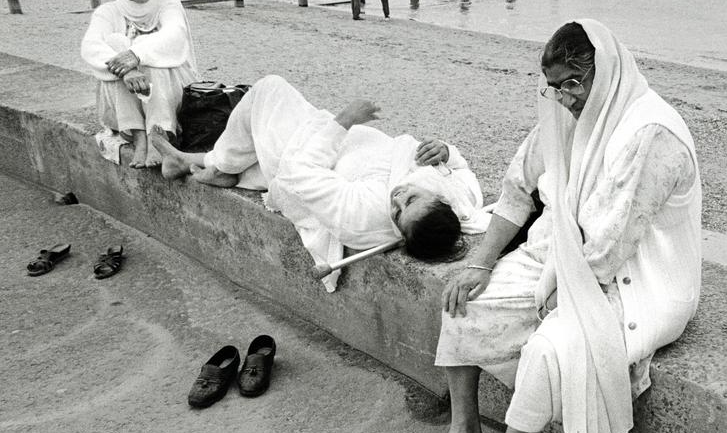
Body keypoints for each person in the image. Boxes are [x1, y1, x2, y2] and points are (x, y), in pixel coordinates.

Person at [410, 20, 702, 433]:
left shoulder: (649, 134)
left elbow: (612, 247)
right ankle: (465, 432)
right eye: (555, 84)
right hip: (558, 257)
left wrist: (552, 289)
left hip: (636, 280)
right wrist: (482, 261)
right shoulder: (564, 114)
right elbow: (518, 191)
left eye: (574, 82)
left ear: (606, 73)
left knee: (554, 345)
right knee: (465, 300)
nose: (564, 97)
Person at [153, 75, 488, 291]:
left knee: (270, 88)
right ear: (441, 202)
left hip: (300, 156)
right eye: (411, 199)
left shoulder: (364, 214)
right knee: (254, 149)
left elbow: (300, 175)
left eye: (397, 213)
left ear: (399, 231)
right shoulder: (459, 199)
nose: (397, 198)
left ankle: (218, 164)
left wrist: (343, 122)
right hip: (334, 144)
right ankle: (193, 160)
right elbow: (461, 170)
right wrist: (445, 151)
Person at [80, 0, 198, 168]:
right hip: (123, 101)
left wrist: (136, 56)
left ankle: (158, 134)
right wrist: (127, 70)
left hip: (171, 92)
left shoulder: (167, 3)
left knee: (152, 60)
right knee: (115, 43)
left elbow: (175, 34)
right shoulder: (108, 11)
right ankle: (138, 135)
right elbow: (90, 45)